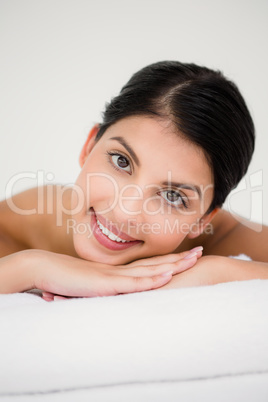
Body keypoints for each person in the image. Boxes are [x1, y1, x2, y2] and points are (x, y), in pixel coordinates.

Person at [0, 61, 267, 301]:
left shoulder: (223, 241)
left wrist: (215, 272)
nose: (125, 211)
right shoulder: (20, 225)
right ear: (89, 146)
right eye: (121, 161)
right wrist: (31, 268)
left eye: (173, 196)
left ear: (202, 221)